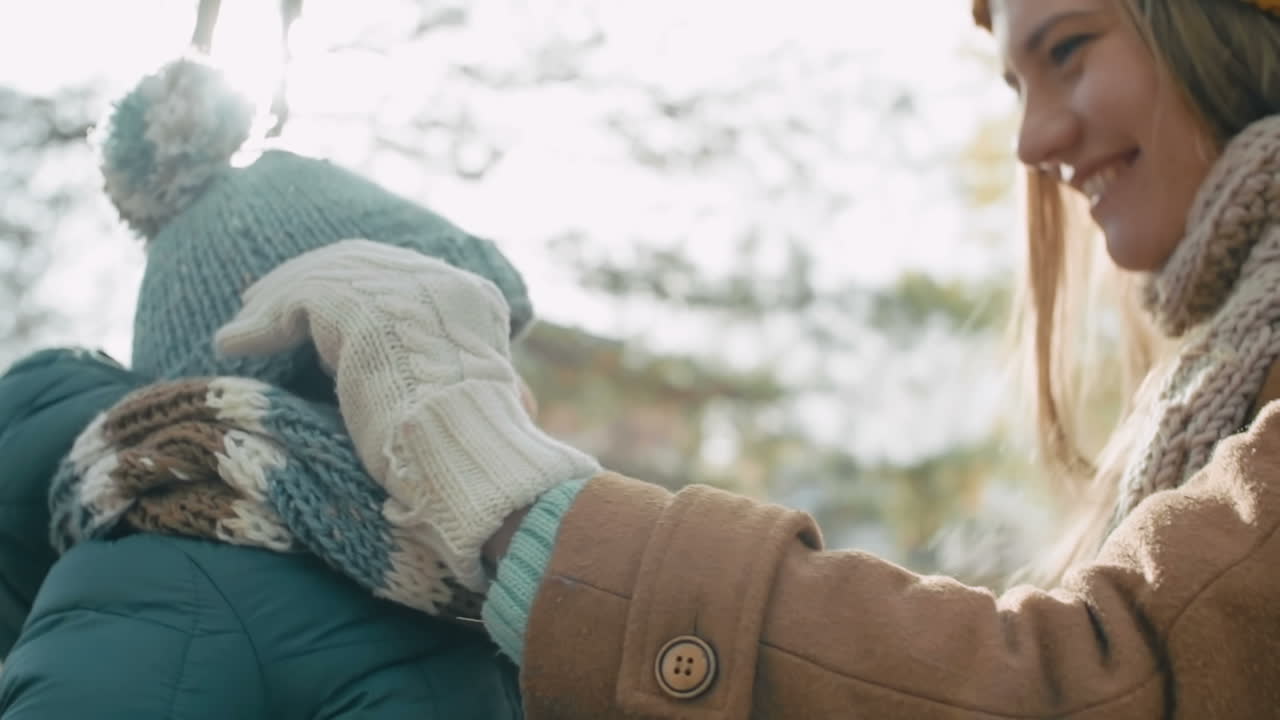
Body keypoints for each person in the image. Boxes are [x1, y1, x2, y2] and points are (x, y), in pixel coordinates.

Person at [214, 0, 1280, 717]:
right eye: (1011, 85)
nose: (1030, 141)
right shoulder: (1217, 361)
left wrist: (511, 504)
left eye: (1065, 50)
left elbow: (1114, 680)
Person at [0, 58, 536, 718]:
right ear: (325, 371)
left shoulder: (494, 582)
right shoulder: (161, 589)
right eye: (454, 350)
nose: (506, 395)